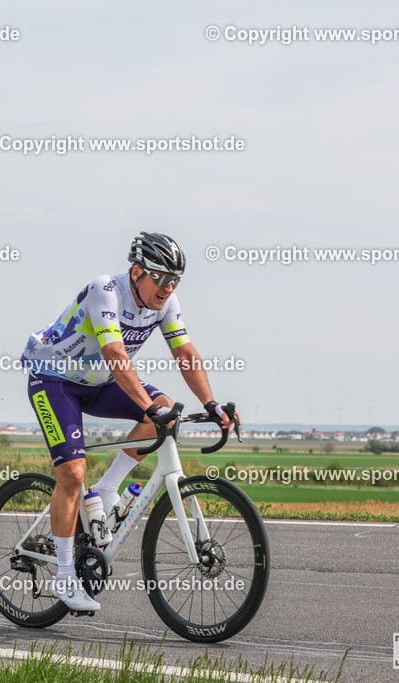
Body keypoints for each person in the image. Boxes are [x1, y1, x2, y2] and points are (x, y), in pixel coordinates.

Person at [21, 232, 238, 611]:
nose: (168, 288)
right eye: (161, 278)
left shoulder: (165, 302)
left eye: (175, 281)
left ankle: (106, 490)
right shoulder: (105, 289)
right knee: (72, 472)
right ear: (137, 272)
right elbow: (114, 352)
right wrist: (148, 408)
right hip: (56, 380)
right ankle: (65, 577)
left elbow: (184, 351)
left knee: (165, 406)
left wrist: (213, 403)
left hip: (99, 382)